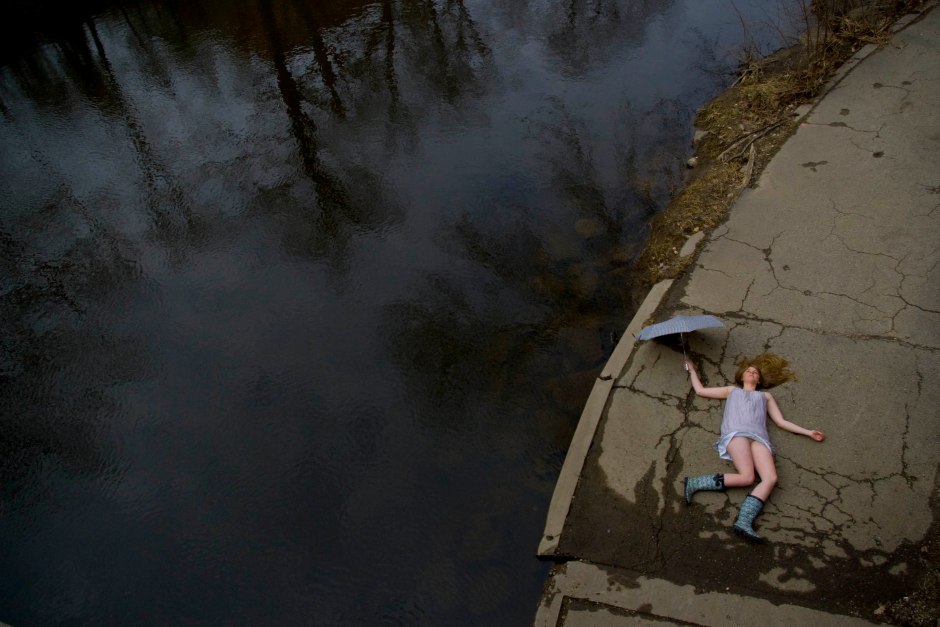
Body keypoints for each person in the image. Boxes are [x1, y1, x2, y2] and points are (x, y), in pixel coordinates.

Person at [683, 354, 825, 542]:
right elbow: (700, 390)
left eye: (755, 372)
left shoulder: (765, 396)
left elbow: (781, 422)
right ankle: (694, 483)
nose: (751, 372)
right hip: (737, 434)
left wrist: (808, 432)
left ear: (759, 380)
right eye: (748, 371)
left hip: (759, 439)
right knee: (747, 477)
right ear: (742, 377)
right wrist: (692, 369)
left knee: (770, 478)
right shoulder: (731, 390)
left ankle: (743, 521)